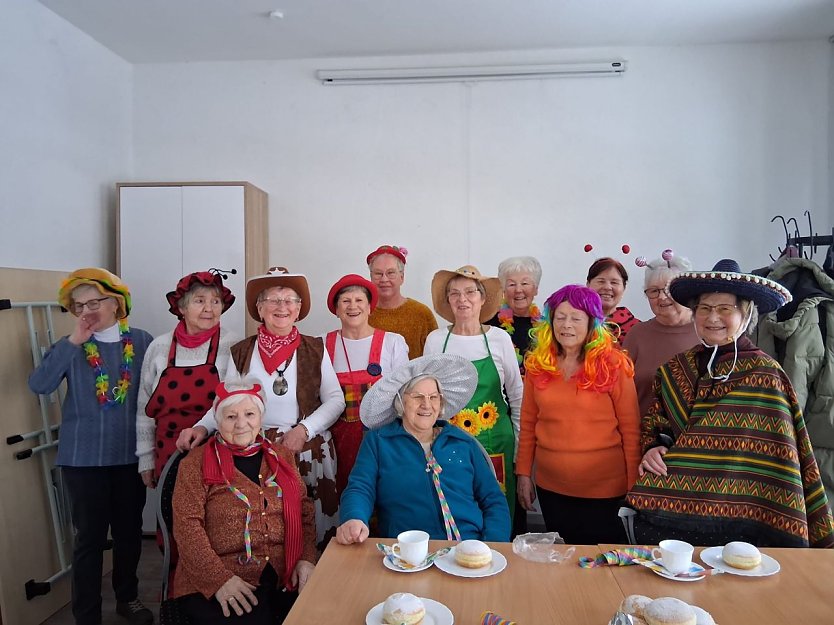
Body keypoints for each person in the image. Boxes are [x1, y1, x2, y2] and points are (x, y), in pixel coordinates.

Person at [626, 259, 834, 548]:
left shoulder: (765, 374)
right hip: (676, 508)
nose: (713, 317)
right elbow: (656, 421)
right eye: (704, 308)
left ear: (745, 314)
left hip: (746, 512)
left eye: (725, 308)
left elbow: (781, 454)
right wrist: (654, 446)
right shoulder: (675, 369)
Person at [177, 267, 345, 551]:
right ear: (259, 308)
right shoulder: (242, 351)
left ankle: (313, 573)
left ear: (298, 309)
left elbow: (336, 400)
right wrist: (202, 426)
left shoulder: (315, 348)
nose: (282, 307)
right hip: (254, 451)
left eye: (289, 300)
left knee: (311, 527)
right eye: (273, 300)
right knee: (266, 524)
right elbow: (226, 401)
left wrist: (303, 430)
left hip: (306, 449)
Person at [29, 268, 154, 625]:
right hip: (82, 460)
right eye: (78, 306)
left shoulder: (142, 341)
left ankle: (127, 598)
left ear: (115, 303)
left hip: (129, 456)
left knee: (129, 534)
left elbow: (155, 396)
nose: (86, 311)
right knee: (89, 540)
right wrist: (73, 342)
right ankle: (86, 615)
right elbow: (40, 385)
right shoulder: (70, 345)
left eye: (94, 303)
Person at [172, 379, 317, 624]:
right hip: (218, 580)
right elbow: (187, 528)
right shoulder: (194, 464)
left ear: (260, 417)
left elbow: (304, 511)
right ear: (217, 420)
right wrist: (219, 580)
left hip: (283, 575)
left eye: (249, 414)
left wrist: (306, 558)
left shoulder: (281, 456)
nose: (241, 424)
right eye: (231, 417)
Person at [336, 354, 510, 543]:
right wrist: (354, 517)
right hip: (407, 549)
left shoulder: (462, 442)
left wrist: (491, 544)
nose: (427, 405)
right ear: (401, 401)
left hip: (467, 547)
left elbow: (493, 500)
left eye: (433, 397)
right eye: (417, 396)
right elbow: (360, 488)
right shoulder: (379, 442)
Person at [517, 285, 641, 545]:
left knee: (601, 562)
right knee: (564, 558)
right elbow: (528, 425)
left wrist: (634, 488)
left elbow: (631, 432)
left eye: (576, 318)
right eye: (560, 317)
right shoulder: (538, 365)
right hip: (551, 488)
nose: (566, 325)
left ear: (591, 323)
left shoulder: (614, 365)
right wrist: (524, 474)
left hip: (605, 491)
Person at [424, 265, 523, 520]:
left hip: (496, 439)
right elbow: (426, 394)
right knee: (456, 508)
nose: (462, 299)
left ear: (482, 298)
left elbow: (517, 395)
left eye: (470, 292)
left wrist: (520, 450)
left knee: (496, 509)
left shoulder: (500, 339)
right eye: (454, 293)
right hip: (449, 439)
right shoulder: (436, 340)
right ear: (448, 300)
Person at [136, 270, 237, 486]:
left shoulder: (234, 346)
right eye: (199, 301)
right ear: (182, 307)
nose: (209, 308)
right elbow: (144, 409)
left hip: (219, 453)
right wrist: (145, 459)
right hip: (167, 453)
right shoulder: (158, 347)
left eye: (215, 301)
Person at [324, 274, 409, 494]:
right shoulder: (321, 344)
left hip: (381, 441)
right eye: (345, 301)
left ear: (370, 307)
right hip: (336, 444)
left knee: (384, 496)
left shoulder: (393, 342)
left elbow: (405, 396)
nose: (353, 306)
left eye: (359, 300)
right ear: (336, 309)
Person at [622, 252, 699, 416]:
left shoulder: (707, 332)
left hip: (697, 430)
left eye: (669, 289)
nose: (662, 297)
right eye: (654, 291)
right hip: (642, 430)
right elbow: (620, 391)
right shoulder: (637, 335)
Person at [366, 244, 438, 358]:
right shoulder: (362, 314)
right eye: (378, 273)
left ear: (402, 277)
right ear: (371, 277)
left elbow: (436, 359)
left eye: (391, 273)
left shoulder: (422, 314)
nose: (384, 279)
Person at [485, 256, 543, 375]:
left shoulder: (545, 326)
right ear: (503, 290)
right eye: (511, 284)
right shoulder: (489, 323)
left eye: (525, 283)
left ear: (536, 289)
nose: (518, 290)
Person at [587, 257, 640, 343]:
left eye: (614, 282)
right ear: (588, 285)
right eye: (601, 281)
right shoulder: (574, 324)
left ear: (624, 288)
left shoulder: (637, 330)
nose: (607, 287)